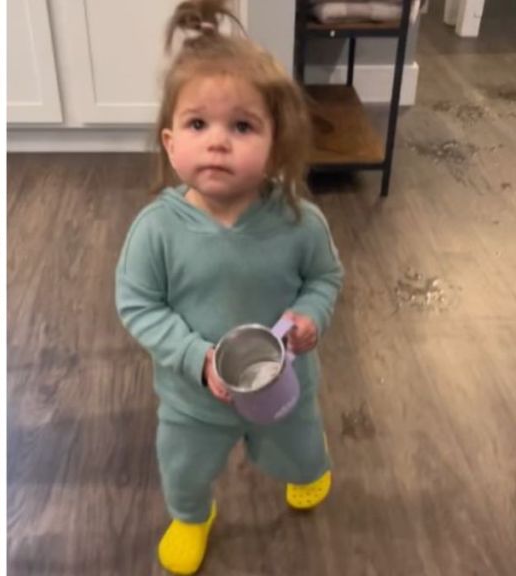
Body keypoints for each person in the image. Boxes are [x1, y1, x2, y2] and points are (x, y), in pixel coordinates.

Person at [114, 0, 345, 573]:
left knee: (302, 446)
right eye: (198, 124)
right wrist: (198, 358)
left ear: (275, 145)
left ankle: (307, 472)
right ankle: (193, 517)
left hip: (283, 382)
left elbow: (325, 277)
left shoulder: (299, 222)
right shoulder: (157, 229)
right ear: (170, 143)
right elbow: (138, 304)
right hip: (193, 397)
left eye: (241, 126)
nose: (218, 141)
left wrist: (312, 314)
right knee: (184, 468)